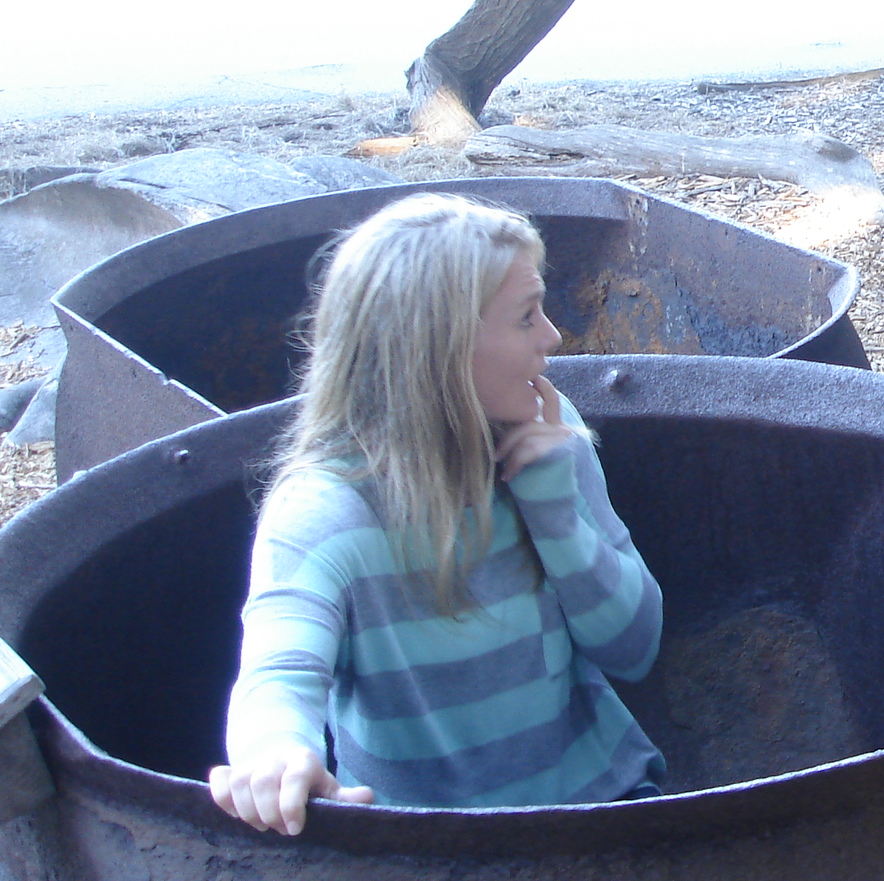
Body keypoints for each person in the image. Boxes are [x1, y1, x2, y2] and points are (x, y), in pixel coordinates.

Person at [208, 193, 664, 835]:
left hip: (602, 800)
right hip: (420, 846)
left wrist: (556, 510)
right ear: (436, 350)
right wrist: (275, 756)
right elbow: (279, 673)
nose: (553, 338)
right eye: (526, 317)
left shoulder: (547, 435)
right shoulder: (325, 510)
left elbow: (635, 649)